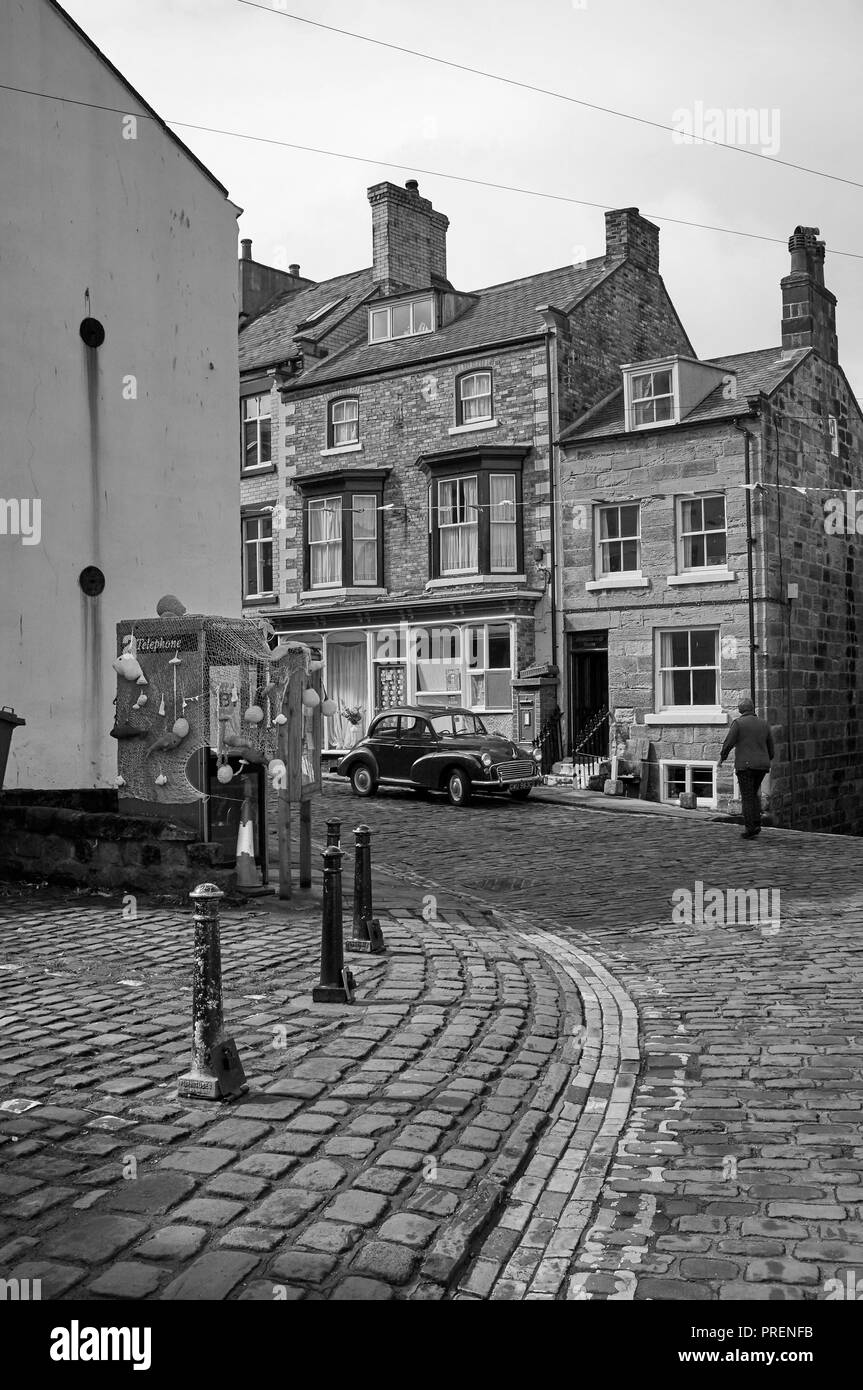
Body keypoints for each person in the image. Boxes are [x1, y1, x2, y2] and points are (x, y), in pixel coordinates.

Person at [719, 698, 774, 839]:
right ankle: (756, 823)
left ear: (740, 710)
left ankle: (751, 827)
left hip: (746, 765)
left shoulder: (738, 723)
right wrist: (767, 759)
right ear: (753, 708)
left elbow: (728, 743)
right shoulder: (764, 724)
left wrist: (722, 758)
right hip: (762, 766)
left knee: (747, 796)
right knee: (754, 794)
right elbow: (771, 748)